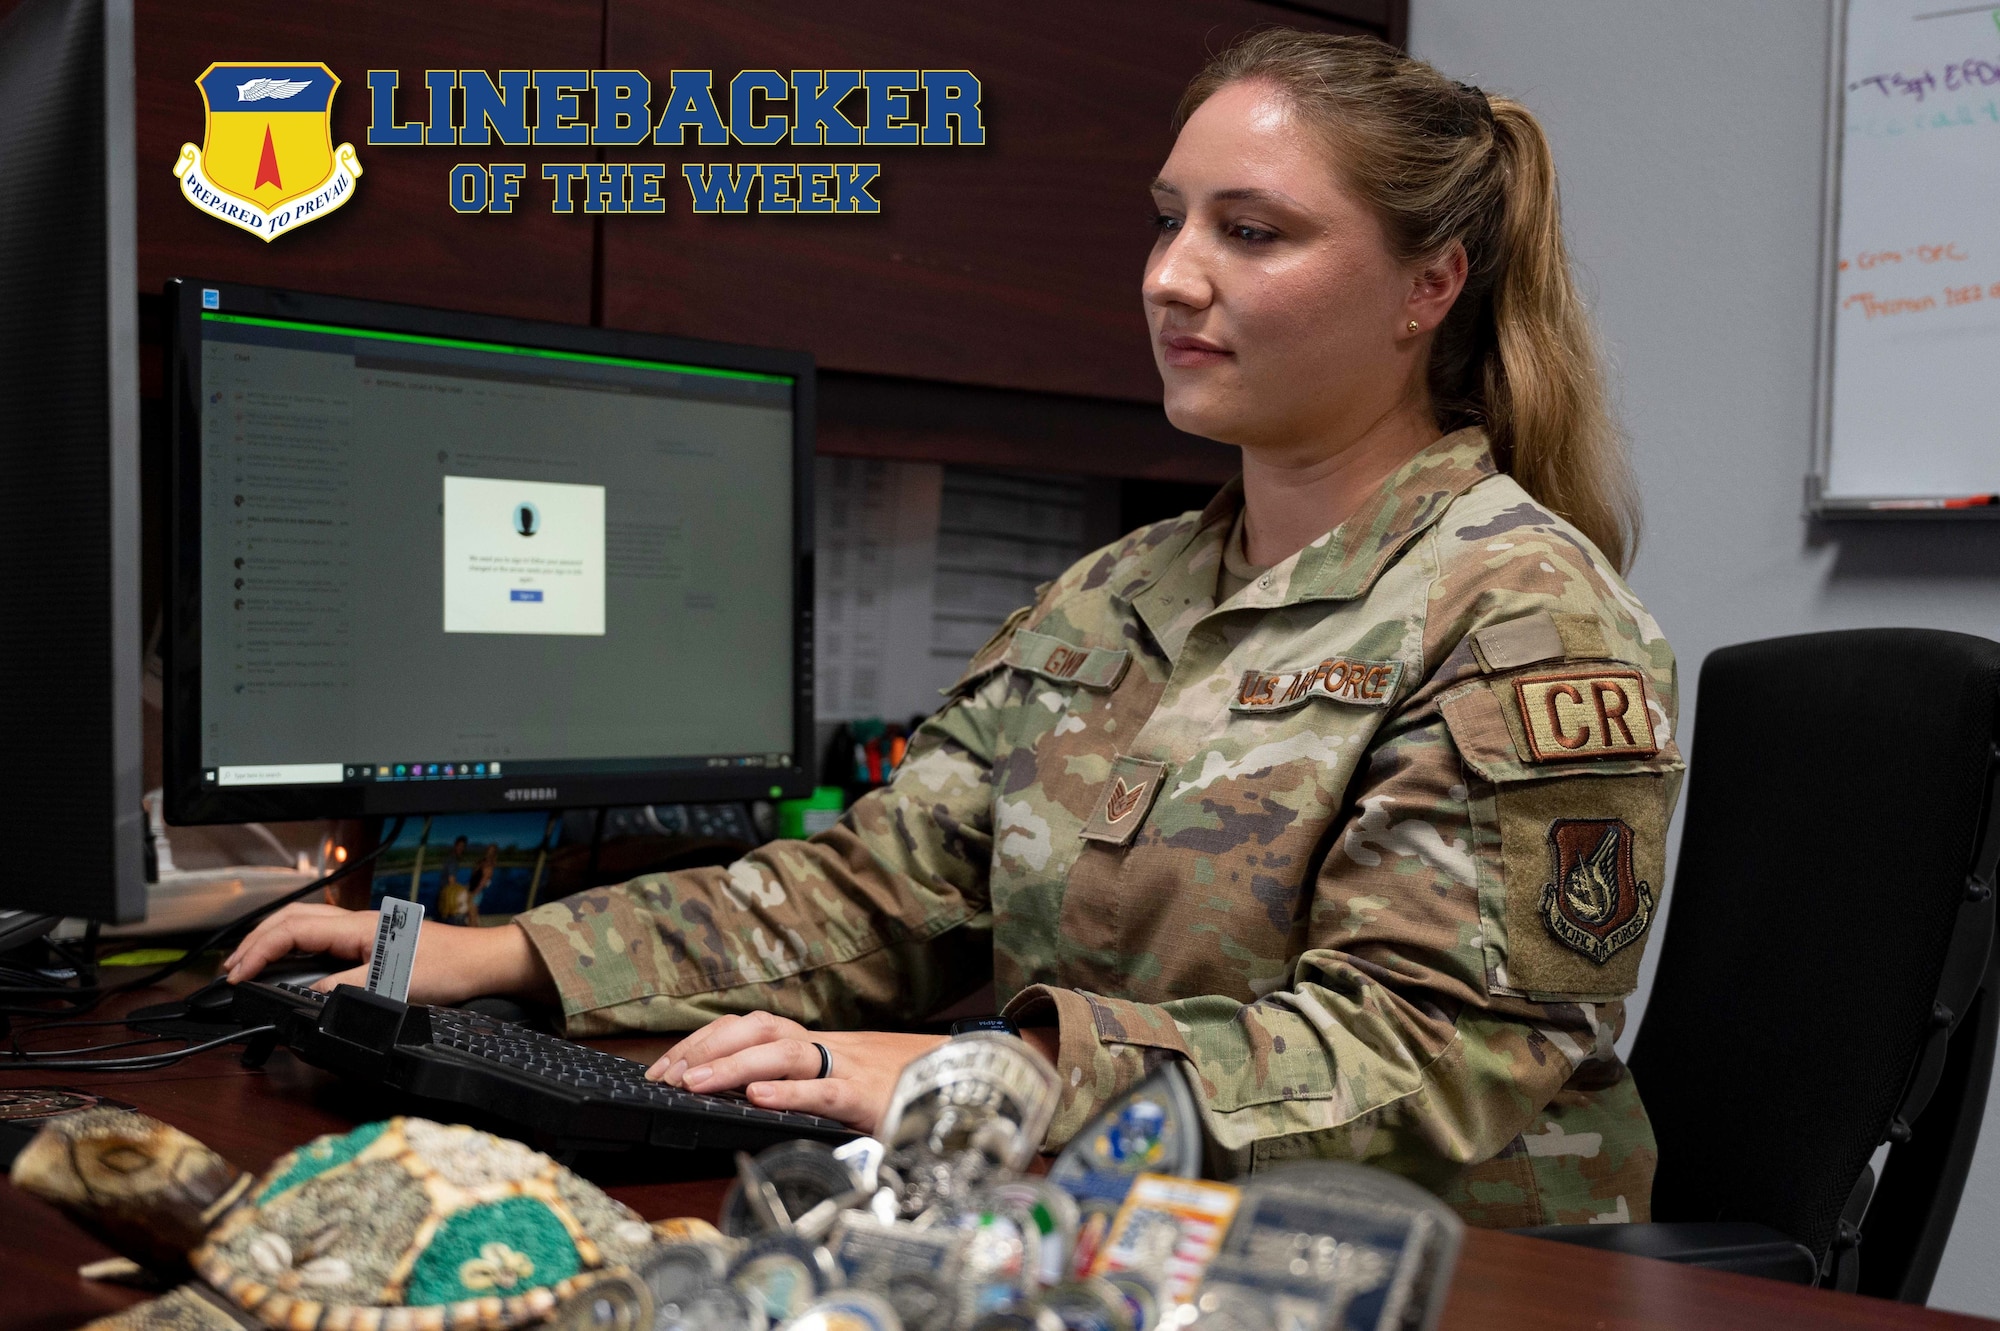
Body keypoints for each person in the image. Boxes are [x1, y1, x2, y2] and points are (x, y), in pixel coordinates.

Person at [226, 30, 1681, 1228]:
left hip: (1428, 1273)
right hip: (1100, 1228)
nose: (1172, 275)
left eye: (1253, 232)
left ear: (1432, 286)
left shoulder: (1526, 616)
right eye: (1170, 221)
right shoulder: (1117, 595)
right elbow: (872, 897)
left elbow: (1437, 1058)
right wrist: (510, 957)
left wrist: (1005, 1070)